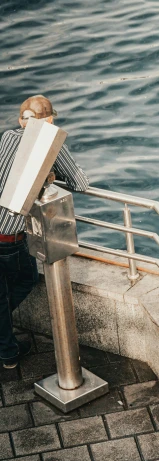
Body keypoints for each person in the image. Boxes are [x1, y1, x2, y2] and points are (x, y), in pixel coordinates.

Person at [0, 94, 89, 369]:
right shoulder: (51, 142)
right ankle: (5, 348)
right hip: (9, 239)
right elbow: (80, 183)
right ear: (49, 121)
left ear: (21, 120)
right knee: (26, 278)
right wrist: (50, 174)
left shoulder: (7, 137)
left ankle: (7, 350)